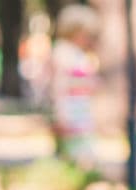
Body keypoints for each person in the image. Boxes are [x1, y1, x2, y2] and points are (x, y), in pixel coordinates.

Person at [50, 4, 99, 170]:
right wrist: (62, 115)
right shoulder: (63, 52)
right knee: (74, 157)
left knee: (82, 157)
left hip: (81, 110)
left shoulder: (79, 53)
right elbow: (59, 86)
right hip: (70, 112)